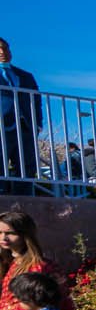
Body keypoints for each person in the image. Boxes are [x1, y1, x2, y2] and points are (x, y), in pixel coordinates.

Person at [0, 211, 89, 310]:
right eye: (0, 232)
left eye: (10, 233)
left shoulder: (40, 267)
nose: (3, 238)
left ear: (25, 235)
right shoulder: (9, 262)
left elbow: (59, 303)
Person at [0, 39, 41, 196]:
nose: (3, 52)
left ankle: (24, 197)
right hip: (2, 125)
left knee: (27, 164)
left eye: (5, 48)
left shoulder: (25, 76)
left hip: (25, 126)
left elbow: (36, 100)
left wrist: (37, 123)